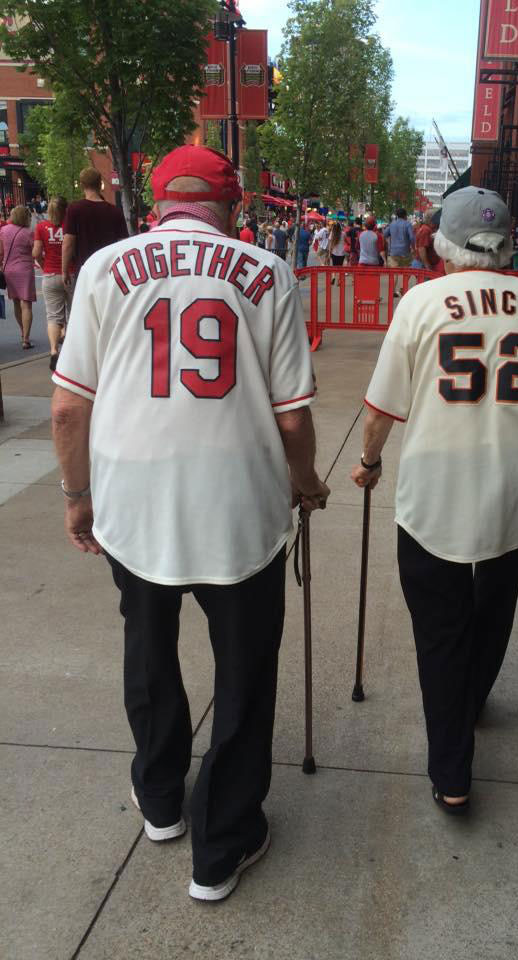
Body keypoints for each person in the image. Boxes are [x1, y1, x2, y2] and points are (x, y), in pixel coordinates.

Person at [51, 144, 329, 901]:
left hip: (134, 500)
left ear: (158, 200)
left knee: (148, 644)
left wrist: (77, 496)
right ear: (232, 206)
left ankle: (163, 798)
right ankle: (223, 842)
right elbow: (294, 419)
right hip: (239, 501)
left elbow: (69, 403)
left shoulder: (106, 268)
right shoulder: (267, 272)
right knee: (243, 668)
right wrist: (307, 486)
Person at [351, 186, 518, 814]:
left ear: (443, 245)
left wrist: (369, 463)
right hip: (517, 484)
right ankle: (474, 695)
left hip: (434, 488)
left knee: (440, 628)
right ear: (510, 244)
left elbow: (379, 411)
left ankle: (453, 772)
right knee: (496, 597)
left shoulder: (421, 301)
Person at [62, 167, 128, 285]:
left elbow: (68, 243)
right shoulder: (115, 211)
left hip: (84, 271)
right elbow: (124, 244)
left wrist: (64, 271)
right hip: (109, 271)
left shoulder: (75, 209)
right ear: (100, 183)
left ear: (82, 185)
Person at [33, 196, 73, 369]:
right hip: (70, 273)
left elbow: (35, 252)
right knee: (73, 314)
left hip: (50, 275)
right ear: (66, 210)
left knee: (53, 316)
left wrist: (43, 265)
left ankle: (53, 351)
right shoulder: (70, 226)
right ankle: (71, 352)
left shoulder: (41, 227)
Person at [0, 204, 36, 349]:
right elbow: (35, 251)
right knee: (26, 304)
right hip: (25, 269)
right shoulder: (28, 233)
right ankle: (26, 339)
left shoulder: (3, 231)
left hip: (9, 270)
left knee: (16, 303)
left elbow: (0, 252)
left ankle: (22, 332)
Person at [383, 207, 415, 296]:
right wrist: (413, 247)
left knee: (394, 273)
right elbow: (412, 237)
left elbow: (385, 234)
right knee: (408, 270)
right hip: (405, 252)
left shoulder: (392, 224)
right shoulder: (407, 224)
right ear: (405, 215)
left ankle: (392, 291)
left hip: (393, 252)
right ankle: (403, 289)